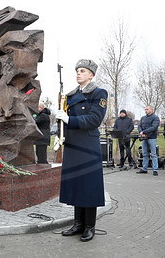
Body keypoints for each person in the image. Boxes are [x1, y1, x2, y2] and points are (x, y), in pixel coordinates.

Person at [56, 59, 108, 242]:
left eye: (83, 71)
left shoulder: (99, 93)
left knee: (89, 185)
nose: (78, 73)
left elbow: (94, 119)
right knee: (76, 184)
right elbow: (63, 120)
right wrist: (59, 130)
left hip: (87, 145)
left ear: (91, 75)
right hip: (72, 144)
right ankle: (78, 223)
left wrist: (70, 120)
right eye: (77, 70)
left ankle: (89, 226)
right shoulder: (69, 96)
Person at [136, 105, 160, 176]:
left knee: (153, 154)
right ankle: (144, 168)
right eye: (145, 109)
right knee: (144, 154)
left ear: (151, 110)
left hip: (152, 138)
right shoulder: (143, 118)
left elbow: (154, 127)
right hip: (144, 138)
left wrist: (144, 132)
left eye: (147, 109)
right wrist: (141, 132)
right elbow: (139, 126)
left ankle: (155, 169)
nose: (146, 110)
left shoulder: (155, 118)